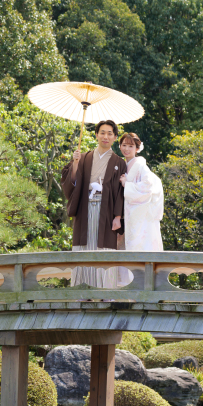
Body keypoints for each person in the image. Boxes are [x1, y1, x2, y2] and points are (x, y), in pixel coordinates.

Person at [61, 120, 126, 287]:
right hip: (85, 207)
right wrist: (75, 164)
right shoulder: (83, 158)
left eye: (109, 133)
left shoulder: (119, 162)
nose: (105, 136)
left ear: (115, 137)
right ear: (96, 135)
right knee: (85, 246)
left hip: (107, 211)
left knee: (104, 248)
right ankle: (82, 289)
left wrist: (118, 216)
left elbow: (121, 193)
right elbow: (70, 183)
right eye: (102, 132)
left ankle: (106, 290)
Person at [118, 132, 164, 252]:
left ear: (137, 149)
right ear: (119, 146)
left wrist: (126, 184)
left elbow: (147, 186)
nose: (126, 149)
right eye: (124, 145)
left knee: (141, 245)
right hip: (130, 213)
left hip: (142, 215)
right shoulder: (124, 165)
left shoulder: (141, 166)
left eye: (131, 146)